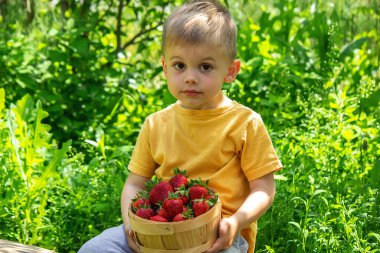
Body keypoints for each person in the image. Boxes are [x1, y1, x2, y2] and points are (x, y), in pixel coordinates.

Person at [78, 0, 282, 252]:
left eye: (205, 67)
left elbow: (264, 189)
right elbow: (135, 183)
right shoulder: (156, 124)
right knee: (95, 249)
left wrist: (237, 221)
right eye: (179, 65)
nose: (190, 77)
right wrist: (132, 224)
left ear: (230, 71)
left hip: (219, 234)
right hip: (157, 228)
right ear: (165, 67)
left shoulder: (244, 123)